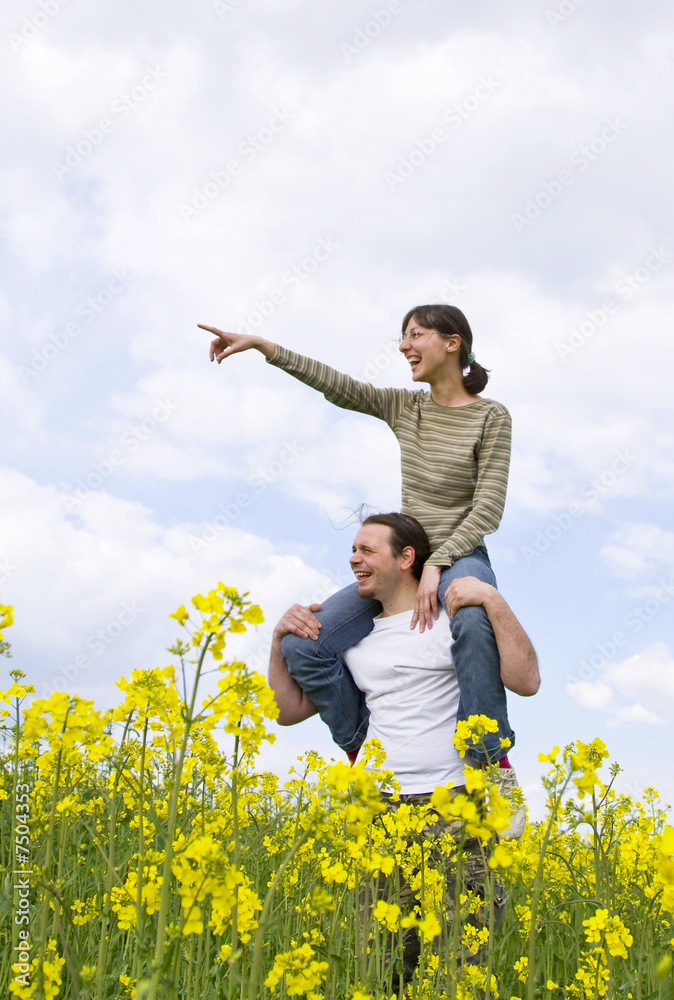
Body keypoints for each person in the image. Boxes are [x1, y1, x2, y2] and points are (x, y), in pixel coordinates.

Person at [200, 304, 513, 765]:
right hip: (406, 558)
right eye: (402, 336)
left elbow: (488, 509)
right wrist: (265, 347)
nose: (404, 346)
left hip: (461, 554)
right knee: (303, 643)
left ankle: (488, 760)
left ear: (452, 343)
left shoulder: (491, 416)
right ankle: (365, 751)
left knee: (471, 618)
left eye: (415, 335)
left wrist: (439, 562)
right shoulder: (406, 407)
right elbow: (340, 386)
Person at [268, 513, 540, 991]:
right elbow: (287, 711)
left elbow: (527, 681)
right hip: (382, 811)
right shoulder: (353, 641)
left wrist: (493, 601)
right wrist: (279, 641)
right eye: (353, 550)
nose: (354, 559)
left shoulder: (455, 621)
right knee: (384, 971)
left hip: (459, 806)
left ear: (406, 558)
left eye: (366, 550)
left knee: (463, 970)